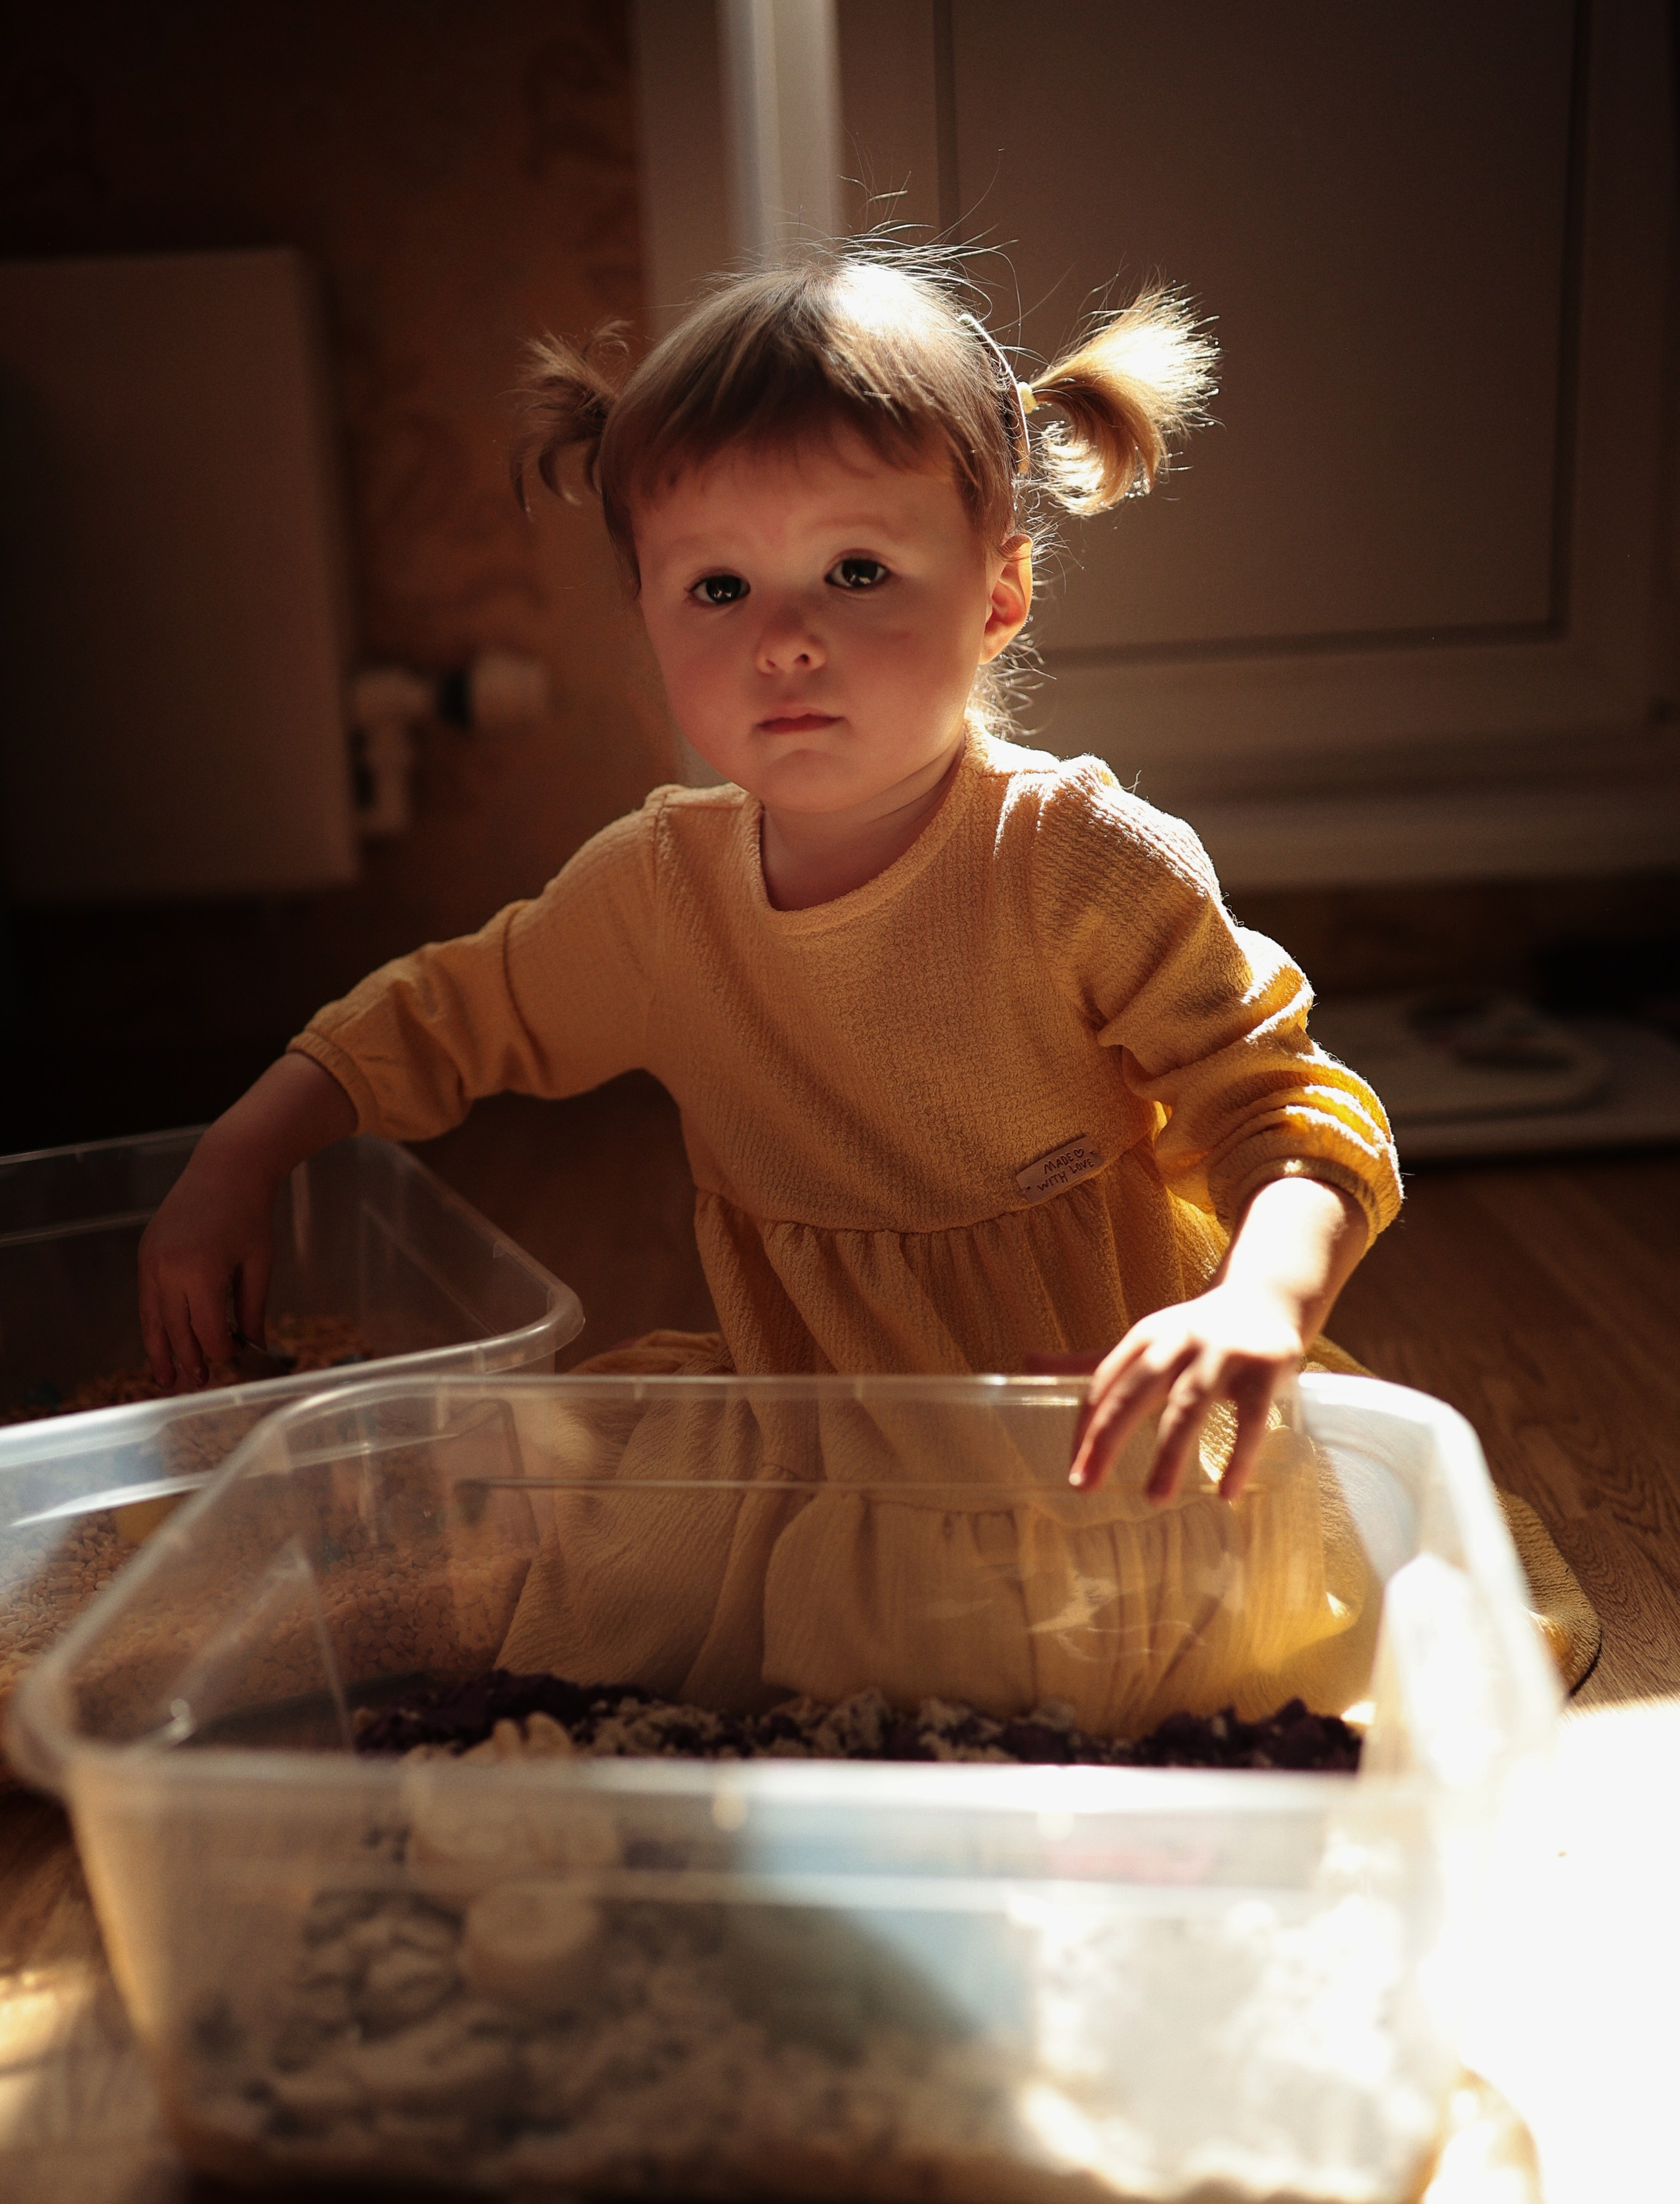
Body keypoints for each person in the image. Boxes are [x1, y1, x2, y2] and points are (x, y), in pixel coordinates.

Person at [137, 247, 1596, 1718]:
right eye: (715, 585)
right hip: (819, 1429)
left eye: (855, 570)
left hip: (1093, 1437)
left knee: (1163, 1702)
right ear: (644, 612)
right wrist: (233, 1165)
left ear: (999, 592)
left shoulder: (1076, 858)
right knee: (606, 1628)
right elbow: (441, 1015)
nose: (782, 635)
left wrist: (1255, 1305)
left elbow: (1289, 1118)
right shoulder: (655, 890)